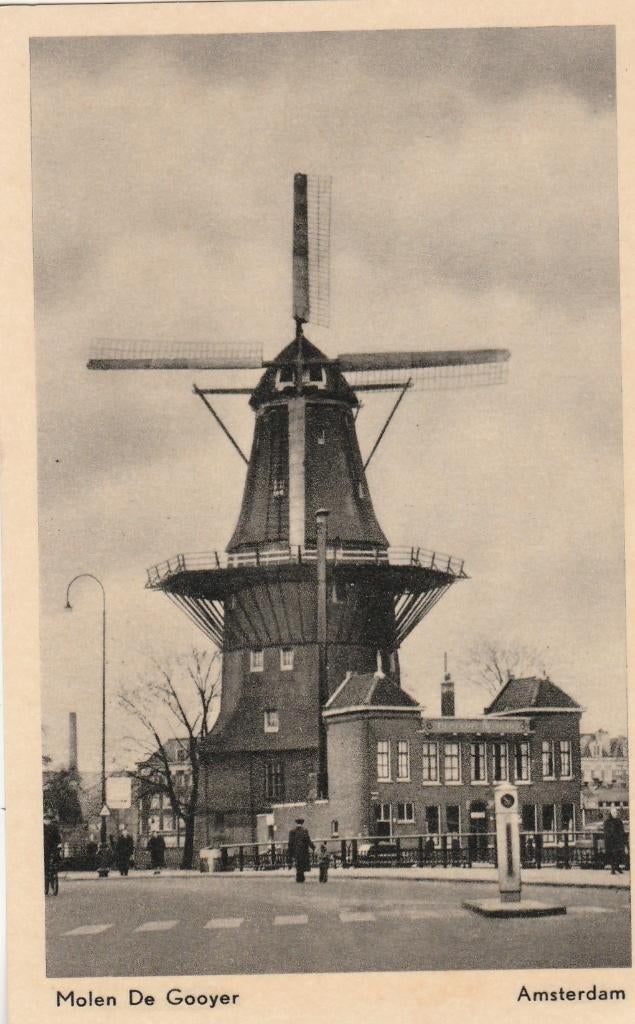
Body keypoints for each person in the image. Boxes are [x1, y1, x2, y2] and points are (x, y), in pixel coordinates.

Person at [287, 818, 315, 883]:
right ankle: (301, 877)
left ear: (296, 823)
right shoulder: (305, 831)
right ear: (302, 823)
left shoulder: (292, 831)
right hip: (303, 851)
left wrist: (290, 851)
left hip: (296, 851)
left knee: (298, 863)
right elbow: (308, 840)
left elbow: (290, 843)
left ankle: (298, 877)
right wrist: (313, 847)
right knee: (302, 864)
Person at [603, 807, 626, 875]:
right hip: (611, 841)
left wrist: (622, 838)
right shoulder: (607, 822)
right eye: (614, 813)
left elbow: (622, 830)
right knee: (612, 855)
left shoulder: (619, 821)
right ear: (611, 813)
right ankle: (613, 869)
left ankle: (617, 867)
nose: (615, 814)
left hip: (618, 841)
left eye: (616, 813)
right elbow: (606, 832)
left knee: (619, 854)